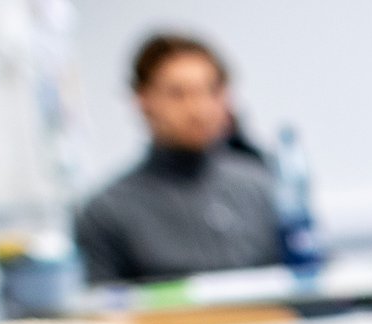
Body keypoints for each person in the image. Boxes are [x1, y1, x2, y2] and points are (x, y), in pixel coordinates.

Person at [74, 34, 282, 285]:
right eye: (178, 94)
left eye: (211, 91)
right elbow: (101, 313)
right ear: (143, 101)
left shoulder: (260, 188)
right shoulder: (107, 212)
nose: (199, 109)